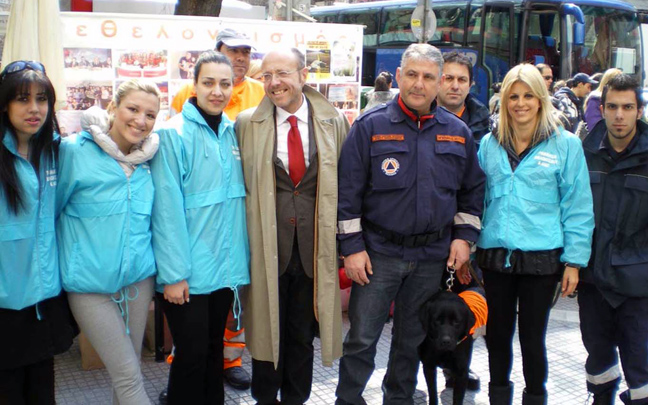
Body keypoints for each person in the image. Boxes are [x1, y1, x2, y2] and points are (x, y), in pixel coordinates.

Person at [335, 43, 486, 404]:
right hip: (378, 255)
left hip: (431, 257)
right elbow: (347, 192)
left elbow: (472, 190)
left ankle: (398, 399)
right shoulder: (370, 126)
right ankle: (349, 399)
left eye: (429, 77)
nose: (419, 84)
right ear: (399, 76)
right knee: (362, 338)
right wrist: (352, 249)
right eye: (413, 75)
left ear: (439, 82)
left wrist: (463, 238)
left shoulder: (457, 131)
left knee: (411, 340)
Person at [470, 63, 594, 405]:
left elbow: (577, 206)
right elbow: (476, 199)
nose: (520, 103)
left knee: (532, 338)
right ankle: (499, 397)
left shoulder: (565, 145)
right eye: (513, 97)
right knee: (497, 336)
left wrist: (574, 262)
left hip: (542, 259)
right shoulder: (489, 144)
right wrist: (467, 246)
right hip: (495, 255)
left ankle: (535, 397)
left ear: (541, 99)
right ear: (504, 101)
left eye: (528, 95)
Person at [236, 47, 349, 404]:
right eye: (267, 75)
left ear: (303, 75)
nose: (274, 82)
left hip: (314, 249)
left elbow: (347, 184)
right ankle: (265, 397)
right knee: (266, 330)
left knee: (302, 333)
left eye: (282, 73)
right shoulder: (247, 124)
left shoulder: (333, 122)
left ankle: (296, 399)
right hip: (267, 246)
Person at [150, 50, 250, 404]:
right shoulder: (172, 134)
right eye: (208, 83)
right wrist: (174, 274)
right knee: (190, 356)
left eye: (225, 84)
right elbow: (165, 211)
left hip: (224, 271)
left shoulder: (232, 132)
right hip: (187, 274)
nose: (217, 91)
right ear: (194, 85)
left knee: (211, 351)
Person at [57, 80, 161, 405]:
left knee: (127, 372)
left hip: (137, 281)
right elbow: (51, 213)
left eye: (150, 115)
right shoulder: (74, 151)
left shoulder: (150, 158)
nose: (140, 121)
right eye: (133, 109)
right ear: (114, 108)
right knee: (129, 376)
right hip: (89, 286)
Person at [0, 61, 76, 404]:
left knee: (43, 393)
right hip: (6, 306)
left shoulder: (55, 151)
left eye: (42, 99)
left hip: (44, 300)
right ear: (4, 104)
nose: (34, 108)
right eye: (22, 99)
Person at [580, 74, 648, 405]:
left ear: (639, 111)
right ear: (602, 109)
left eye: (627, 107)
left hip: (638, 285)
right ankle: (601, 398)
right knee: (598, 360)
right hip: (593, 280)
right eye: (613, 107)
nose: (619, 115)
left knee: (641, 366)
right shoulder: (584, 153)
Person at [437, 51, 490, 144]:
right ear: (437, 82)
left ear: (470, 85)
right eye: (449, 78)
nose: (455, 86)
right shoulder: (419, 118)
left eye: (462, 80)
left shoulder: (485, 126)